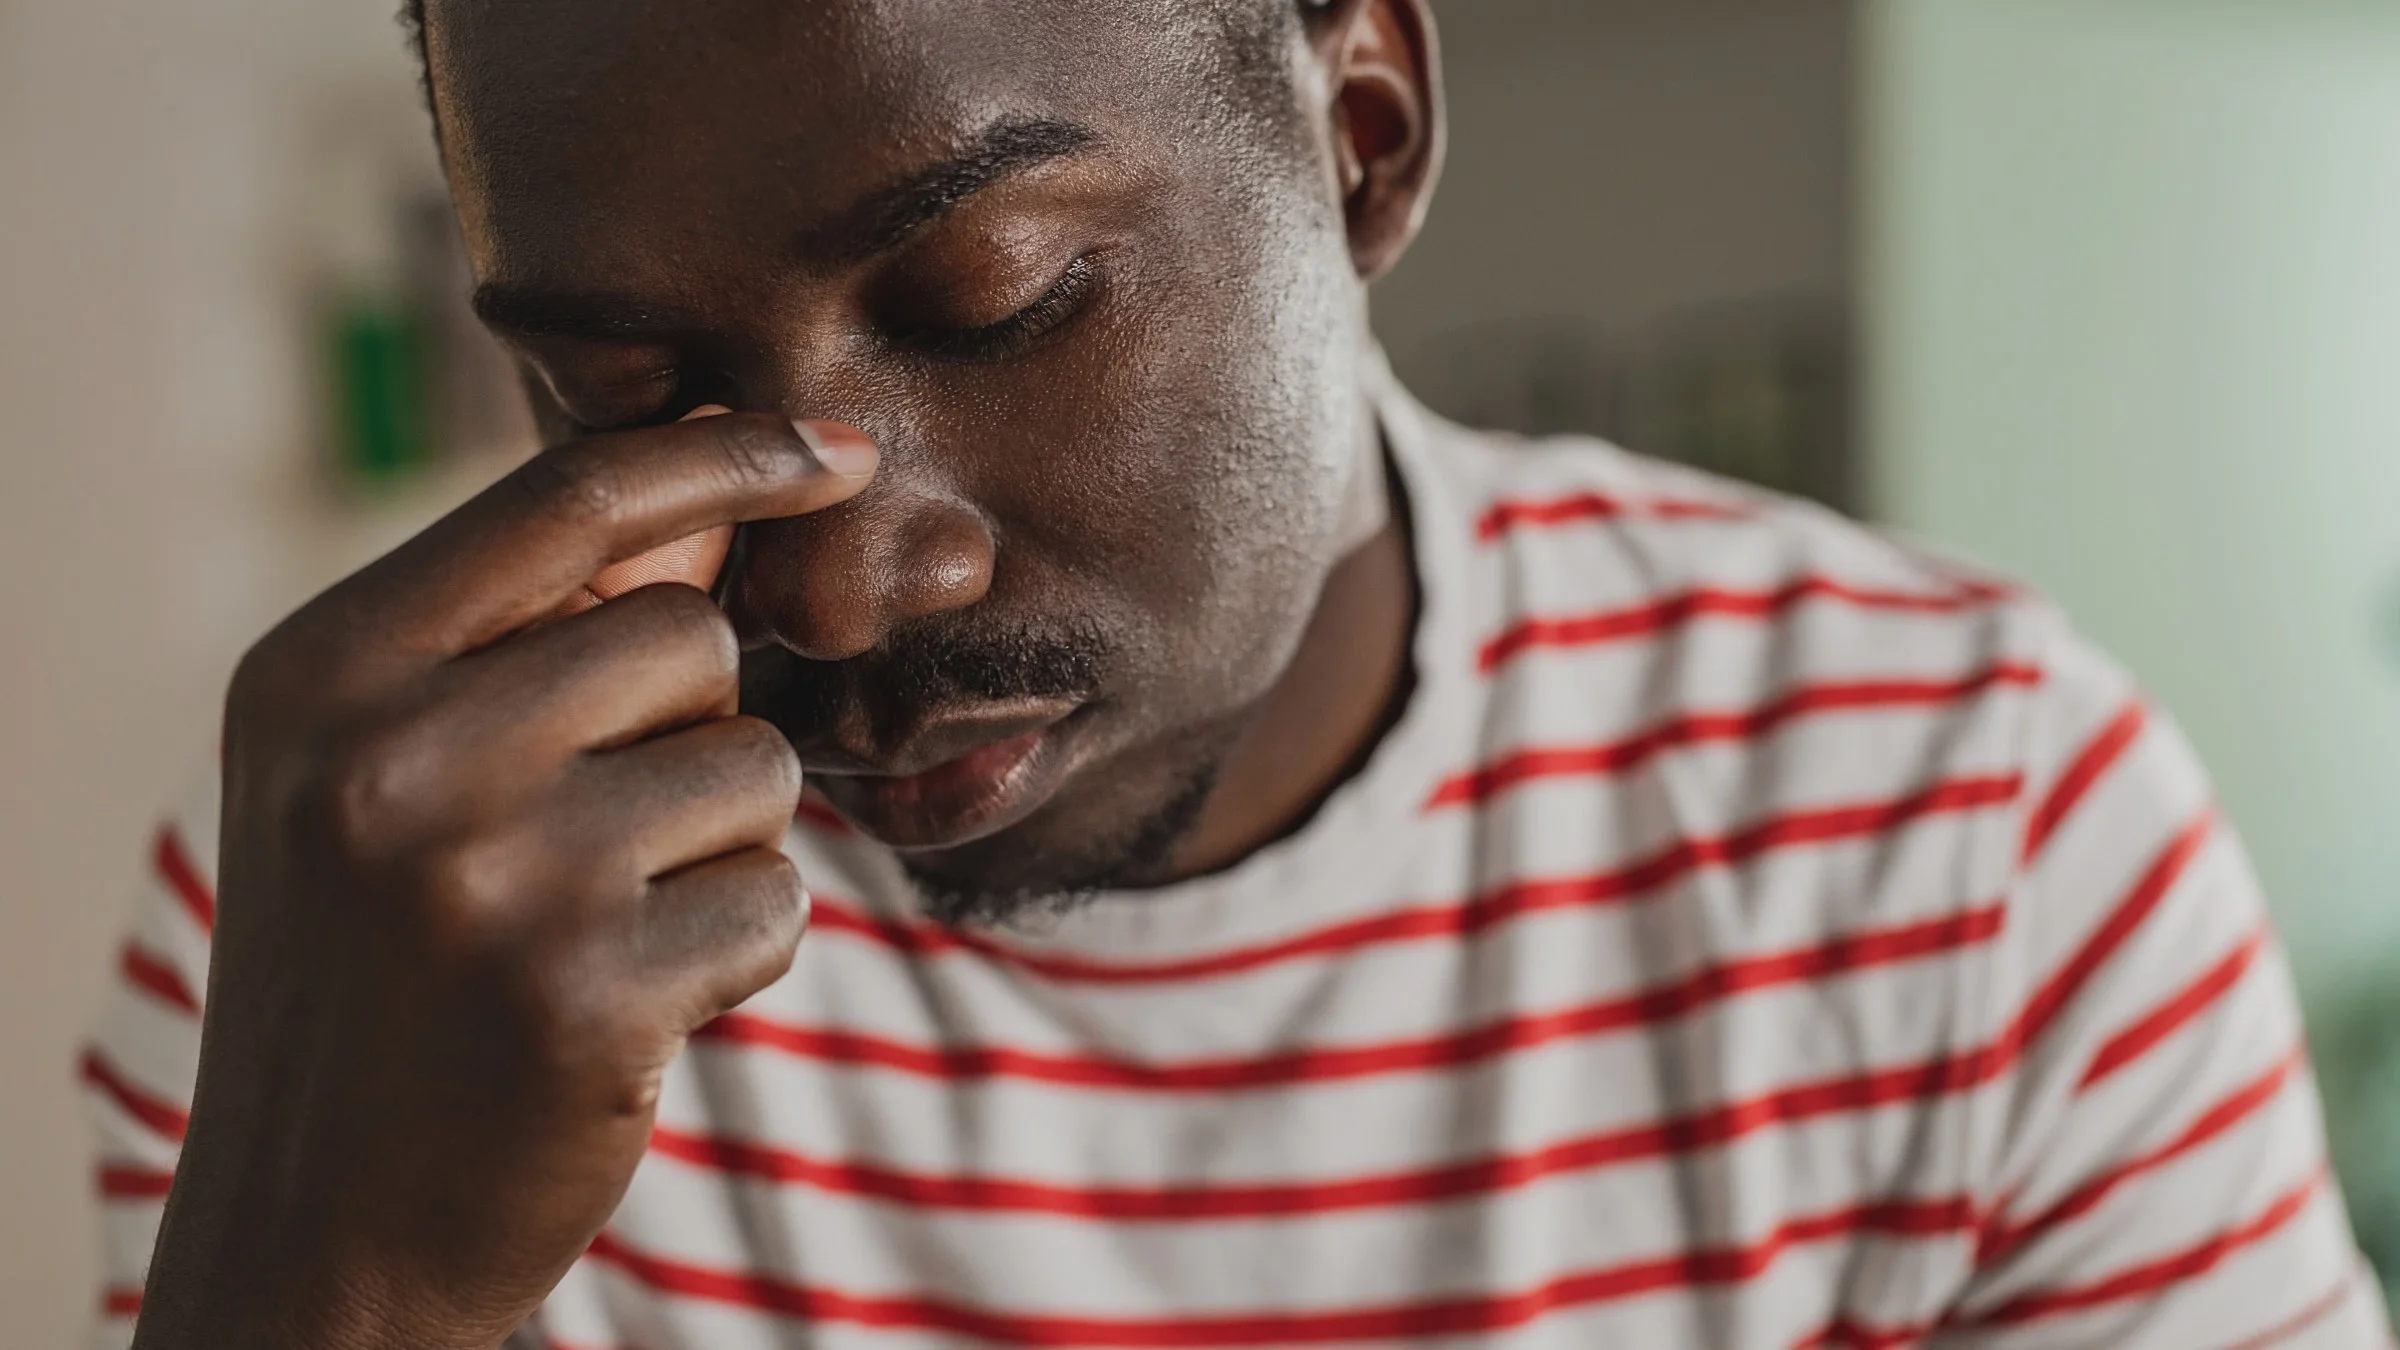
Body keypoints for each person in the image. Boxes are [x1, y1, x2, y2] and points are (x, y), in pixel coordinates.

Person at [80, 0, 2391, 1345]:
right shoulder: (383, 929)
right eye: (617, 391)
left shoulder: (1978, 826)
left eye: (990, 299)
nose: (843, 594)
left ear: (1361, 135)